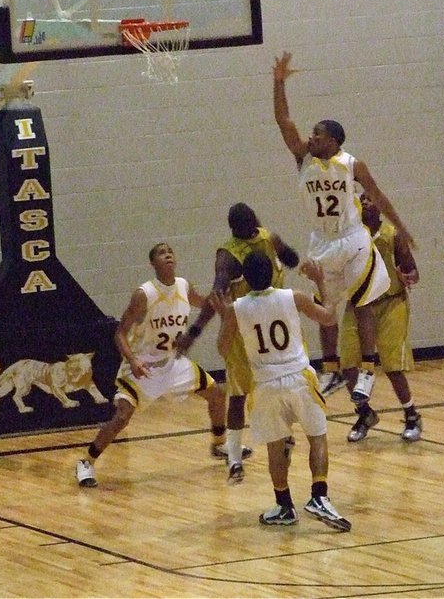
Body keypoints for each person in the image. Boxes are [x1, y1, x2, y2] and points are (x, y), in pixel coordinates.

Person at [273, 50, 414, 404]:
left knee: (363, 301)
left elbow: (378, 196)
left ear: (334, 142)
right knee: (325, 309)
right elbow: (284, 121)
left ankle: (367, 369)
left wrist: (402, 227)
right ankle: (332, 369)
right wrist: (278, 83)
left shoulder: (352, 164)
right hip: (322, 242)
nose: (311, 137)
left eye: (318, 135)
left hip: (352, 240)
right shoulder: (303, 158)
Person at [211, 251, 351, 531]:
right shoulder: (293, 296)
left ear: (246, 280)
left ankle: (284, 505)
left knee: (276, 446)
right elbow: (327, 317)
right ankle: (319, 496)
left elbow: (223, 349)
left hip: (265, 384)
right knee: (317, 438)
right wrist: (320, 282)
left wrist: (225, 316)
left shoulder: (237, 308)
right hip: (299, 377)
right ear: (274, 273)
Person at [75, 242, 227, 488]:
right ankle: (86, 462)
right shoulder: (144, 294)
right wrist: (133, 360)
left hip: (174, 362)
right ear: (153, 263)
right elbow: (119, 334)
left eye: (170, 251)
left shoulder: (184, 286)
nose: (167, 255)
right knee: (122, 417)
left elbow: (204, 302)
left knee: (218, 395)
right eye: (161, 252)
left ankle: (220, 445)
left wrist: (224, 287)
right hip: (143, 365)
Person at [176, 202, 300, 482]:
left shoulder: (268, 238)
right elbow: (215, 297)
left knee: (273, 390)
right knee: (240, 396)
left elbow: (292, 260)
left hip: (269, 329)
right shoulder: (229, 256)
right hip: (244, 334)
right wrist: (194, 332)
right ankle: (233, 458)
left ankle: (277, 438)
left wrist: (285, 251)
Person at [338, 194, 423, 443]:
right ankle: (364, 413)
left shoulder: (392, 235)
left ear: (380, 207)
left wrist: (407, 275)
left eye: (369, 199)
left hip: (390, 303)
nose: (364, 203)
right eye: (360, 200)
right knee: (348, 364)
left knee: (392, 366)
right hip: (358, 305)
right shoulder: (349, 237)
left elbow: (413, 271)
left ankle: (411, 415)